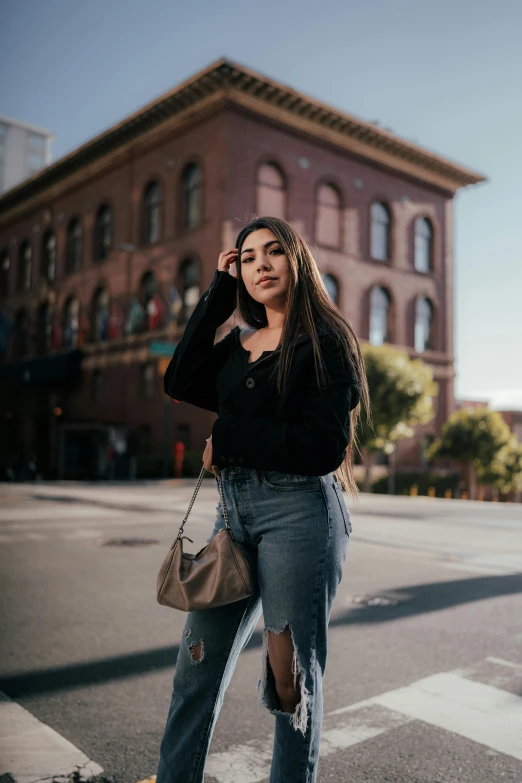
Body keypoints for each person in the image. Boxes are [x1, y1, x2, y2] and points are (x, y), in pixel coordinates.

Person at [157, 216, 371, 783]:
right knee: (195, 669)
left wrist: (228, 438)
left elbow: (321, 445)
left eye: (274, 252)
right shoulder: (238, 346)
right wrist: (219, 292)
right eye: (248, 258)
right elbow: (179, 378)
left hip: (298, 514)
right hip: (233, 515)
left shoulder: (325, 342)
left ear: (297, 261)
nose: (261, 265)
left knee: (290, 679)